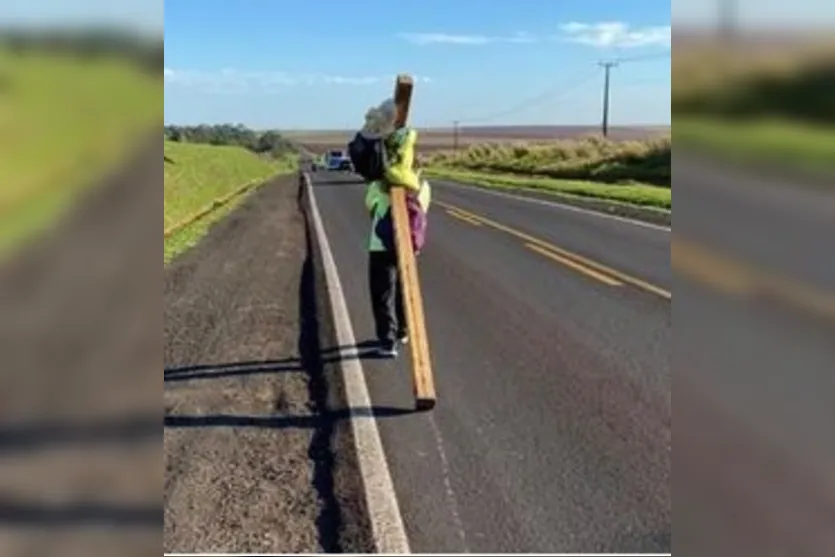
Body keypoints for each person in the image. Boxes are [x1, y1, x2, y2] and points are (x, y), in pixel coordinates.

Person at [360, 99, 431, 358]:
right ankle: (402, 331)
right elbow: (423, 210)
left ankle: (387, 340)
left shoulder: (379, 186)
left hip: (380, 245)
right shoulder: (422, 187)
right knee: (404, 288)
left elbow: (370, 207)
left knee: (383, 293)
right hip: (410, 246)